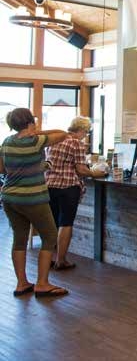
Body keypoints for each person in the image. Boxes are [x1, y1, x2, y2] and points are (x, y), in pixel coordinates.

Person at [0, 108, 69, 298]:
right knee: (49, 236)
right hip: (33, 198)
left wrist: (30, 167)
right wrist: (37, 132)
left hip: (10, 197)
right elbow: (63, 134)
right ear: (30, 123)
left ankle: (22, 283)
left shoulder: (6, 142)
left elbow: (3, 169)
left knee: (19, 238)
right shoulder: (35, 141)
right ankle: (42, 283)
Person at [46, 116, 107, 270]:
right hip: (68, 187)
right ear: (81, 130)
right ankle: (61, 260)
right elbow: (81, 169)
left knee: (52, 223)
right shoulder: (76, 143)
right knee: (65, 223)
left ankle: (47, 259)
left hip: (49, 185)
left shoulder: (53, 140)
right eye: (86, 133)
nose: (85, 136)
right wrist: (95, 173)